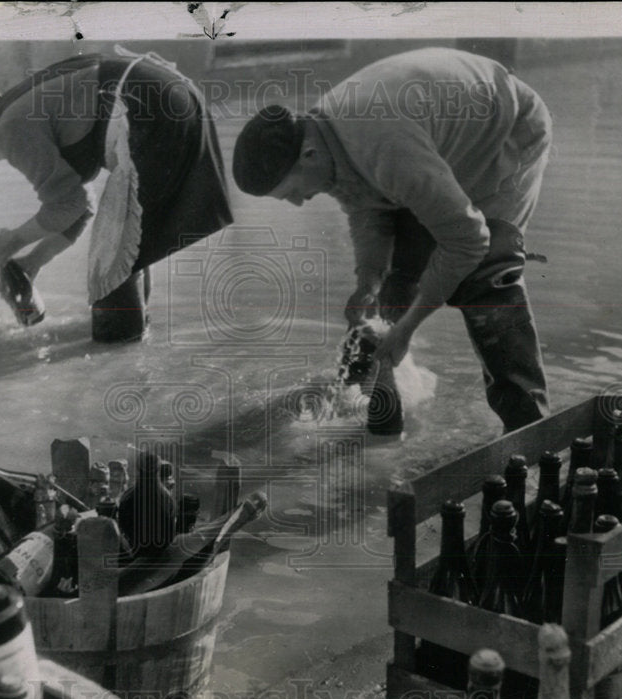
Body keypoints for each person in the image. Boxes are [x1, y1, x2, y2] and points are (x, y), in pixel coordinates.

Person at [232, 47, 552, 432]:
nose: (299, 203)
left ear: (309, 155)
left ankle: (529, 426)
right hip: (431, 138)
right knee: (399, 266)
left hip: (507, 130)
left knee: (487, 271)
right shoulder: (321, 134)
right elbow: (365, 209)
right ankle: (364, 390)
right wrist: (367, 279)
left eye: (292, 192)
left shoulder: (383, 146)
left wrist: (409, 327)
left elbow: (467, 240)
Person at [0, 47, 233, 342]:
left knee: (109, 275)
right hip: (174, 97)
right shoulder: (21, 106)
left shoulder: (10, 128)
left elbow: (68, 204)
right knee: (125, 251)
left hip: (150, 111)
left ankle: (120, 367)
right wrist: (33, 262)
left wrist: (16, 239)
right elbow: (81, 206)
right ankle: (135, 352)